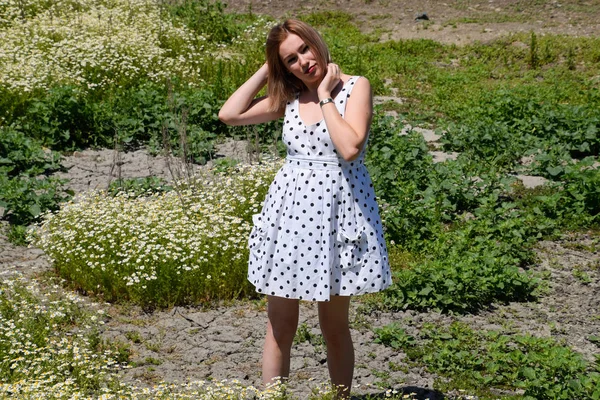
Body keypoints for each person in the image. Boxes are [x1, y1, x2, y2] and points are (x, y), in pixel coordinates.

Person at [218, 19, 392, 398]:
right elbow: (229, 115)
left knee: (334, 328)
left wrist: (326, 94)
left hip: (335, 218)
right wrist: (269, 68)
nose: (303, 62)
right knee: (279, 325)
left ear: (317, 43)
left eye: (304, 49)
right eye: (291, 59)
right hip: (290, 218)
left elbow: (350, 148)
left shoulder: (355, 87)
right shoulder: (292, 97)